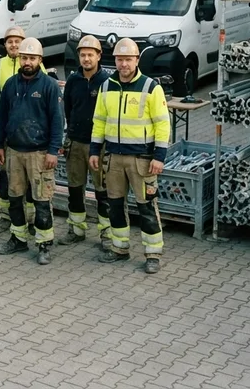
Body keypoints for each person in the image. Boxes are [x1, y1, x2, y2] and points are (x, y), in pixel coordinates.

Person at [90, 38, 170, 274]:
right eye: (119, 59)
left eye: (128, 59)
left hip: (142, 159)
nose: (123, 64)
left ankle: (153, 254)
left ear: (136, 60)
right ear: (114, 60)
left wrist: (159, 156)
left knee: (147, 207)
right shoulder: (107, 86)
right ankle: (119, 248)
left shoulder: (151, 87)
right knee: (115, 205)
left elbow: (162, 124)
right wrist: (94, 150)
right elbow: (99, 121)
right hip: (113, 158)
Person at [0, 37, 63, 266]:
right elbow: (2, 117)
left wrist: (53, 150)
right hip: (14, 151)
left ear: (40, 60)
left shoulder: (50, 86)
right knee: (15, 198)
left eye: (32, 58)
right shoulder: (10, 85)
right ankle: (18, 238)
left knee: (41, 200)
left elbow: (57, 121)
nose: (27, 62)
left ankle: (44, 244)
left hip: (39, 154)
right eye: (24, 57)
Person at [58, 35, 111, 248]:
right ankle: (77, 229)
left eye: (90, 54)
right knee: (74, 189)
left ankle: (107, 234)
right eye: (83, 55)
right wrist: (70, 134)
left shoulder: (107, 82)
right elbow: (68, 109)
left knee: (103, 191)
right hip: (76, 143)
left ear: (99, 56)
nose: (86, 59)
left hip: (100, 145)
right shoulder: (73, 81)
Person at [0, 26, 45, 234]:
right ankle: (6, 216)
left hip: (32, 138)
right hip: (7, 133)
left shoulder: (37, 68)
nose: (14, 45)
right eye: (10, 41)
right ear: (5, 44)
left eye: (18, 41)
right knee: (6, 179)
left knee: (31, 182)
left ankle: (31, 219)